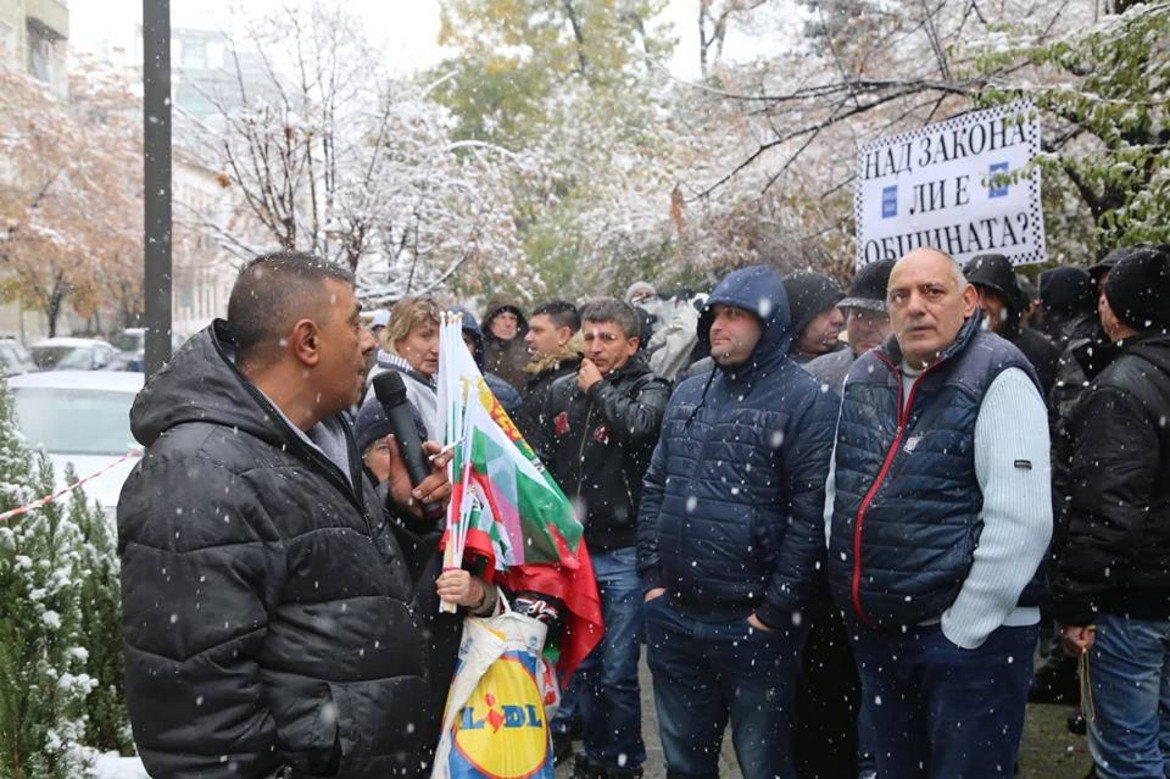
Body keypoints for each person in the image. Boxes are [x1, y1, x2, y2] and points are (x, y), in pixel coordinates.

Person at [117, 251, 453, 778]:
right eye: (356, 322)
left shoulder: (322, 437)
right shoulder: (199, 473)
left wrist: (405, 518)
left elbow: (346, 599)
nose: (370, 341)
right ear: (307, 341)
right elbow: (195, 720)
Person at [826, 247, 1052, 778]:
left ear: (968, 302)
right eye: (900, 296)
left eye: (932, 292)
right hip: (885, 632)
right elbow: (842, 493)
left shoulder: (1000, 376)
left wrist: (964, 629)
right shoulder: (867, 375)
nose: (915, 307)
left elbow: (1022, 520)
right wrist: (854, 594)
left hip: (972, 642)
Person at [638, 265, 836, 779]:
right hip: (676, 616)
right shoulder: (690, 390)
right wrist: (653, 580)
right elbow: (657, 484)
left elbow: (810, 513)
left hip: (752, 625)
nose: (718, 327)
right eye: (714, 315)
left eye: (734, 315)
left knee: (763, 762)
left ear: (768, 325)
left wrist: (774, 610)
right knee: (684, 763)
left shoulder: (805, 399)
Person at [538, 298, 670, 779]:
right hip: (575, 551)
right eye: (589, 337)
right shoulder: (559, 391)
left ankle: (626, 761)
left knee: (618, 671)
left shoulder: (650, 386)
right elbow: (545, 464)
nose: (594, 347)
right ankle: (594, 758)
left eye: (607, 338)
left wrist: (598, 390)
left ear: (632, 344)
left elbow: (640, 428)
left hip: (625, 549)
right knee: (584, 667)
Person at [1052, 246, 1170, 779]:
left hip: (1133, 601)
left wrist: (1076, 604)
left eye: (1105, 294)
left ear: (1120, 310)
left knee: (1128, 756)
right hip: (1152, 591)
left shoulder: (1120, 390)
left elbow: (1107, 511)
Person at [796, 260, 893, 778]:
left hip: (890, 574)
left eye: (876, 314)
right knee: (826, 701)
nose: (862, 325)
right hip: (821, 573)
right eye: (854, 313)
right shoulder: (818, 378)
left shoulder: (927, 381)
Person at [964, 253, 1062, 395]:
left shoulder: (1038, 352)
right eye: (974, 295)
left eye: (991, 296)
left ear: (1007, 302)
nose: (981, 305)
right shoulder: (951, 351)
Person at [805, 259, 895, 392]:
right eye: (858, 314)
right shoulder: (817, 376)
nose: (865, 328)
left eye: (881, 317)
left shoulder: (929, 380)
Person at [366, 296, 442, 438]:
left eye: (441, 336)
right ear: (398, 339)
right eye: (426, 336)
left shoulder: (427, 380)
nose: (437, 348)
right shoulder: (392, 391)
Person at [517, 299, 582, 445]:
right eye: (529, 330)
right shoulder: (541, 375)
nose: (528, 337)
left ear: (563, 335)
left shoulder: (573, 380)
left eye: (537, 331)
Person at [453, 306, 522, 418]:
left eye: (466, 341)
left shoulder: (504, 395)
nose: (459, 348)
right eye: (451, 339)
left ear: (476, 348)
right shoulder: (420, 390)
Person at [783, 270, 846, 363]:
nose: (839, 319)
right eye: (826, 309)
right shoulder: (767, 371)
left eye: (839, 307)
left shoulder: (856, 361)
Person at [481, 295, 529, 391]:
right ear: (491, 321)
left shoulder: (529, 351)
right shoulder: (478, 350)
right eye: (502, 317)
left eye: (512, 318)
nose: (508, 324)